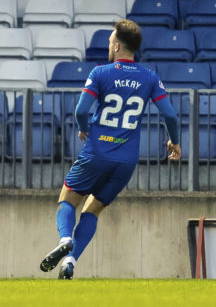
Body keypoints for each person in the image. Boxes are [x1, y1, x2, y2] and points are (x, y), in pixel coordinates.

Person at [39, 19, 182, 280]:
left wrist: (83, 128)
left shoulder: (100, 73)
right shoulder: (150, 77)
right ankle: (71, 260)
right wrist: (175, 141)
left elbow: (81, 110)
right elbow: (170, 115)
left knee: (67, 198)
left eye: (109, 42)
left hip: (96, 151)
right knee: (93, 209)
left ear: (116, 46)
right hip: (126, 162)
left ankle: (64, 240)